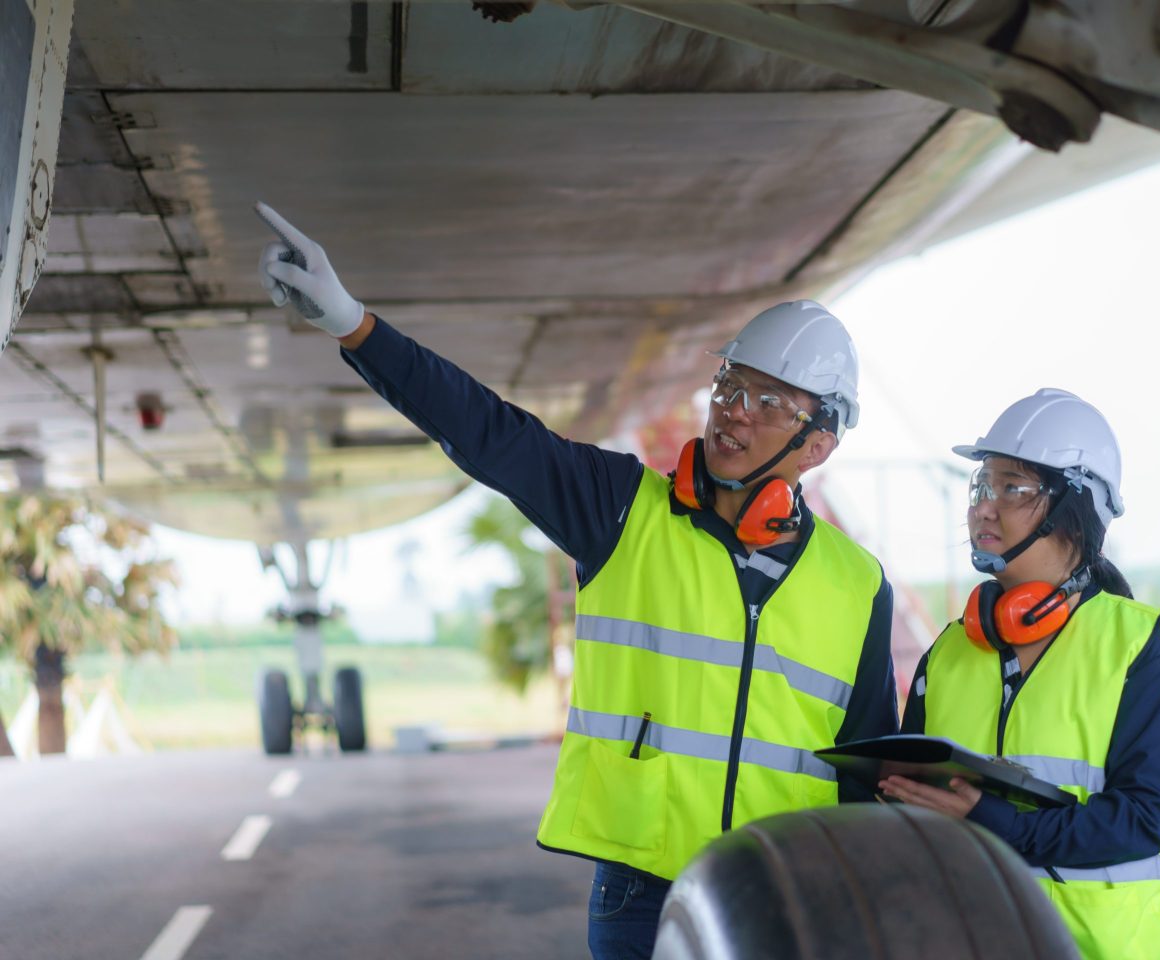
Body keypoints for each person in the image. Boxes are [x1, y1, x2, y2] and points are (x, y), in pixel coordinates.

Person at [255, 203, 898, 960]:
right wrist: (354, 326)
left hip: (787, 890)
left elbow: (867, 767)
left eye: (769, 403)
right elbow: (489, 432)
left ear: (817, 443)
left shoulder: (858, 584)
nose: (733, 413)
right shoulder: (623, 510)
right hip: (645, 889)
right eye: (729, 386)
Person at [879, 388, 1160, 960]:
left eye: (1011, 488)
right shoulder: (949, 651)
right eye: (981, 486)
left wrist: (992, 820)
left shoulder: (1144, 648)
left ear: (1075, 508)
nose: (983, 507)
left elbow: (1142, 819)